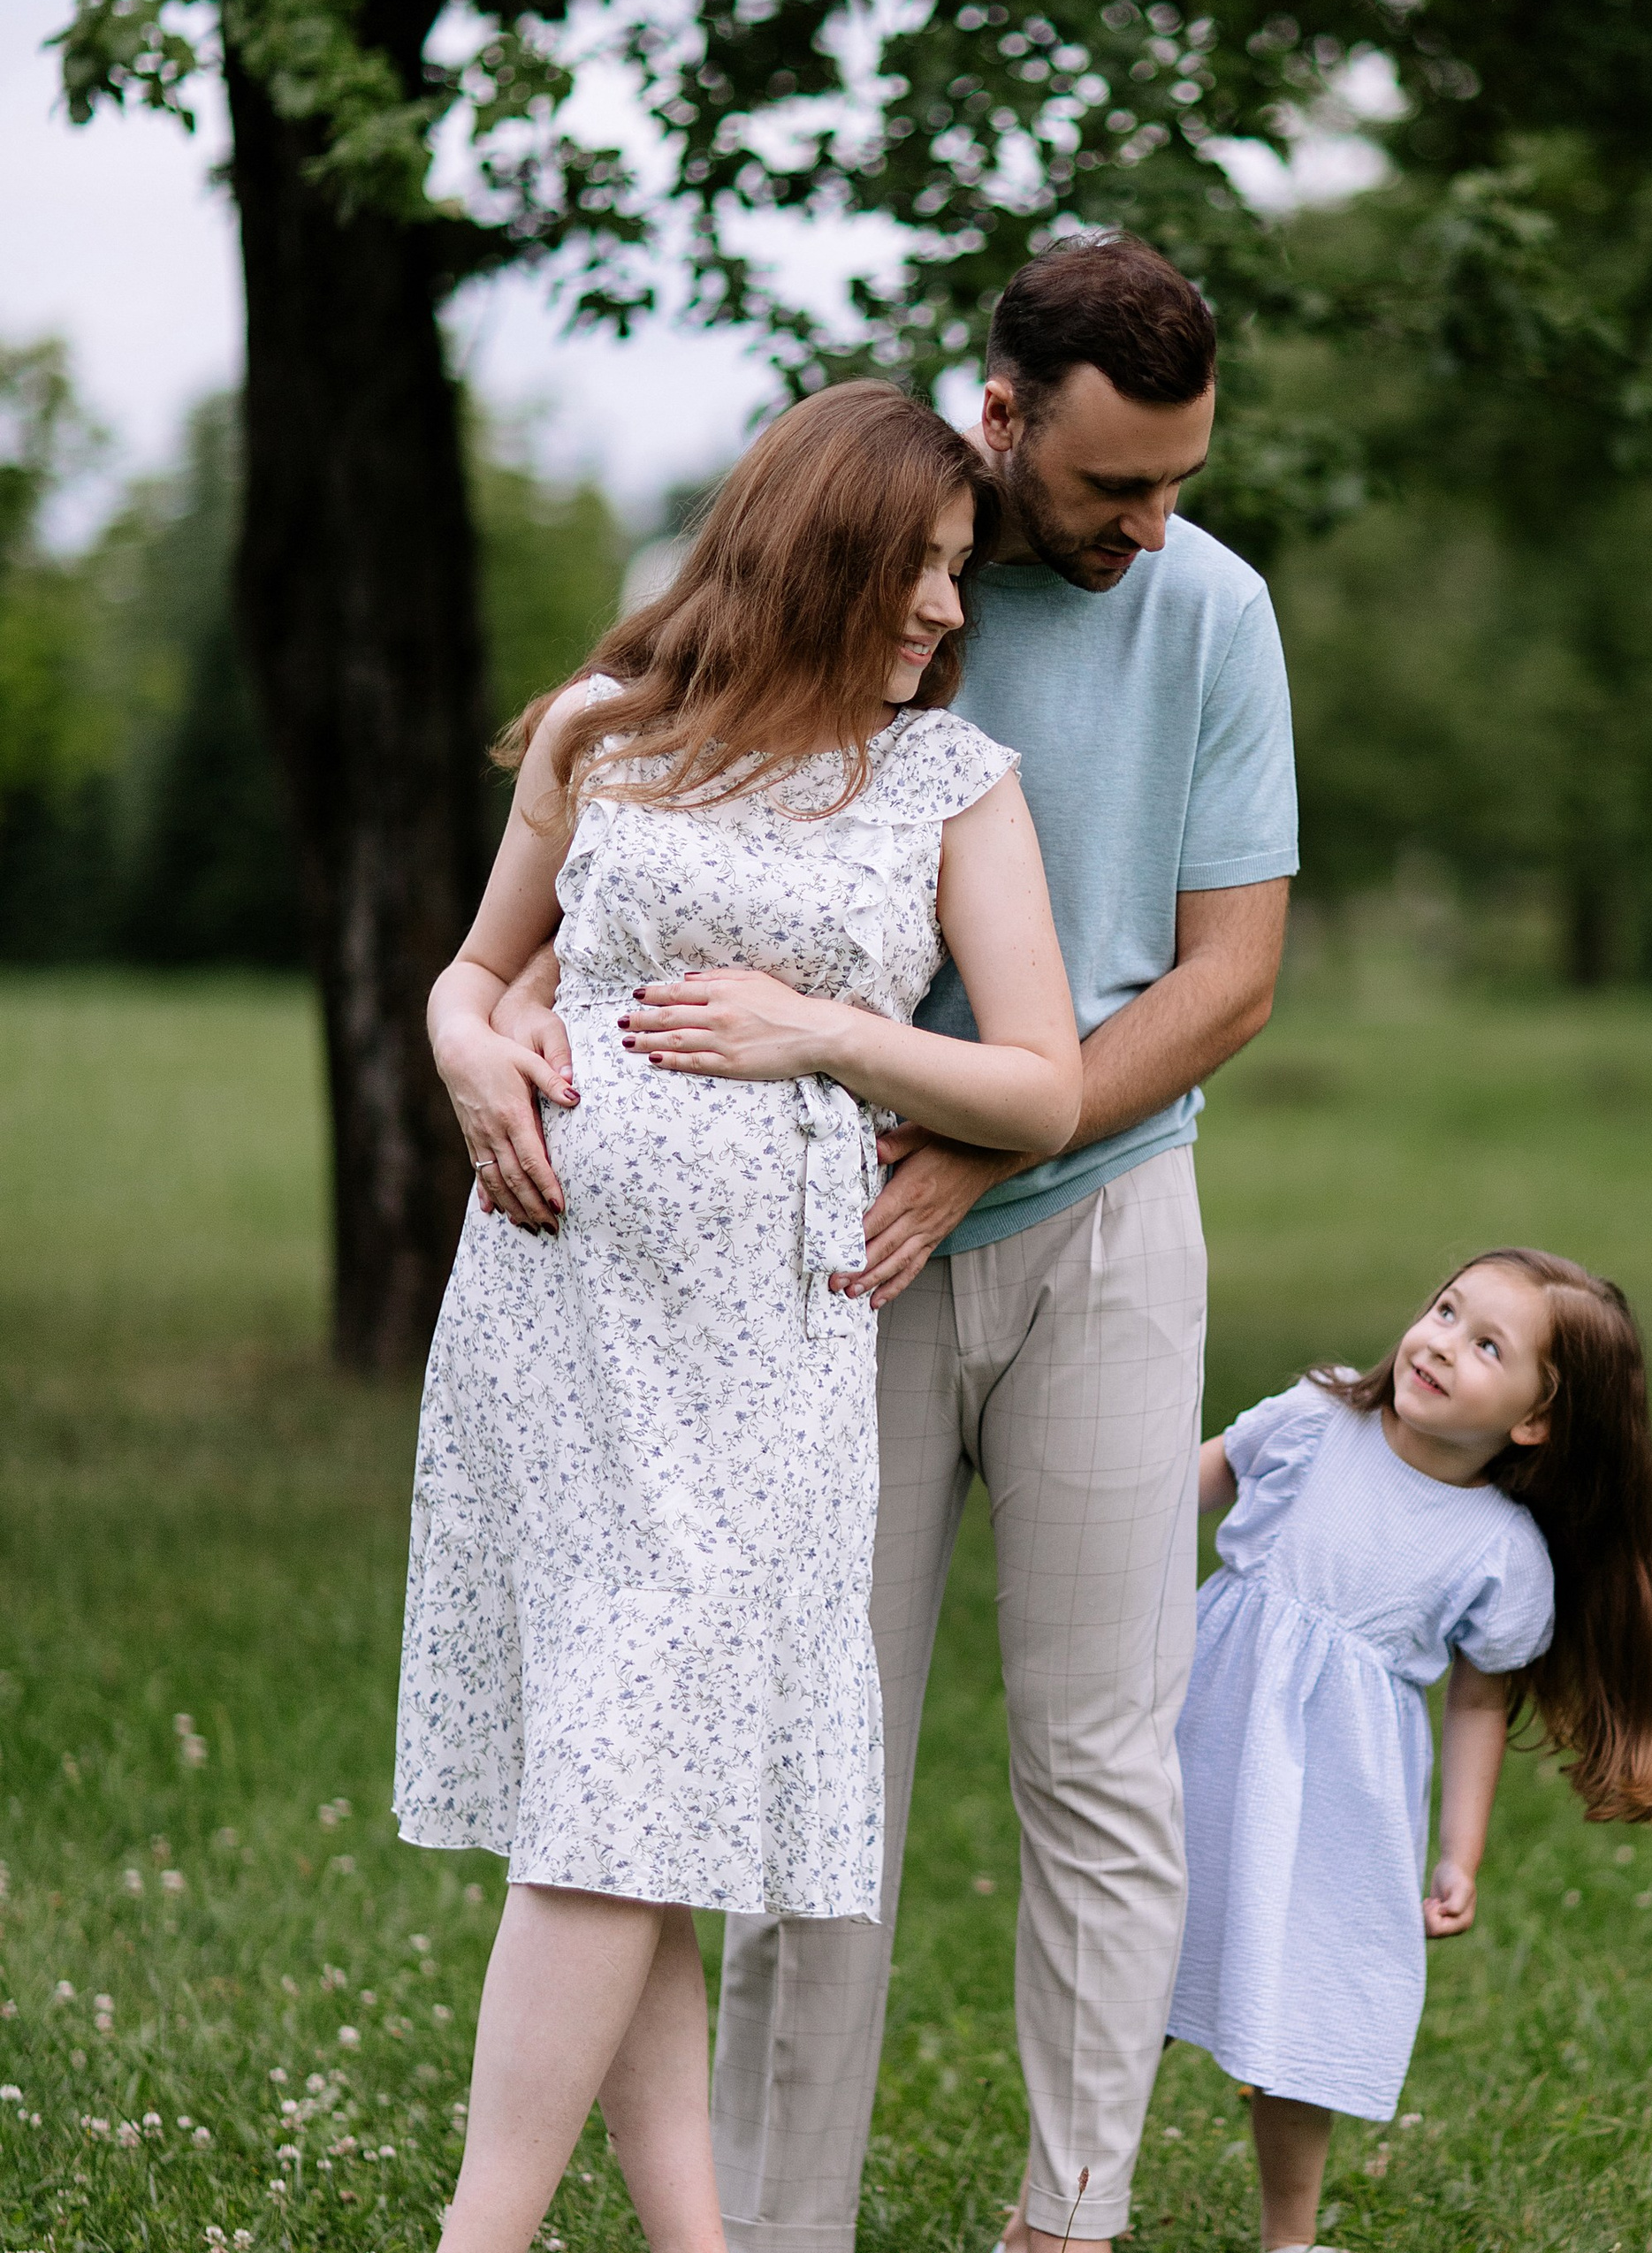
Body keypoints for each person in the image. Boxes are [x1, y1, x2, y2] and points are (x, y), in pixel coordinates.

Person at [484, 232, 1298, 2253]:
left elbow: (1230, 977)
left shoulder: (1209, 610)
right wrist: (458, 1010)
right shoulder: (877, 561)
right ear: (1002, 416)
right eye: (1112, 482)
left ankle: (1070, 2214)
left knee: (1098, 1735)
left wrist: (975, 1133)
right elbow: (604, 847)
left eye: (1179, 476)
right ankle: (771, 2221)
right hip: (826, 1254)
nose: (1149, 520)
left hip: (1098, 1207)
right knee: (805, 1734)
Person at [399, 378, 1082, 2253]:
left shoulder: (949, 781)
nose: (950, 613)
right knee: (636, 1786)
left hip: (761, 1349)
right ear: (817, 549)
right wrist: (473, 1053)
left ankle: (484, 2234)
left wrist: (831, 1036)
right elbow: (477, 969)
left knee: (634, 1774)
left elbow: (1039, 1082)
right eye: (922, 571)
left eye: (959, 575)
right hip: (553, 1313)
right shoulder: (605, 732)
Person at [1170, 1249, 1652, 2253]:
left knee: (1304, 2006)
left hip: (1336, 1801)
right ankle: (1056, 2205)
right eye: (1446, 1311)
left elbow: (1477, 1701)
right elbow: (1193, 1478)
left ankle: (1290, 2236)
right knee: (1127, 1964)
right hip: (1202, 1740)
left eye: (1486, 1344)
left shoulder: (1498, 1549)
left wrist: (1460, 1850)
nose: (1442, 1344)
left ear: (1535, 1418)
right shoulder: (1319, 1418)